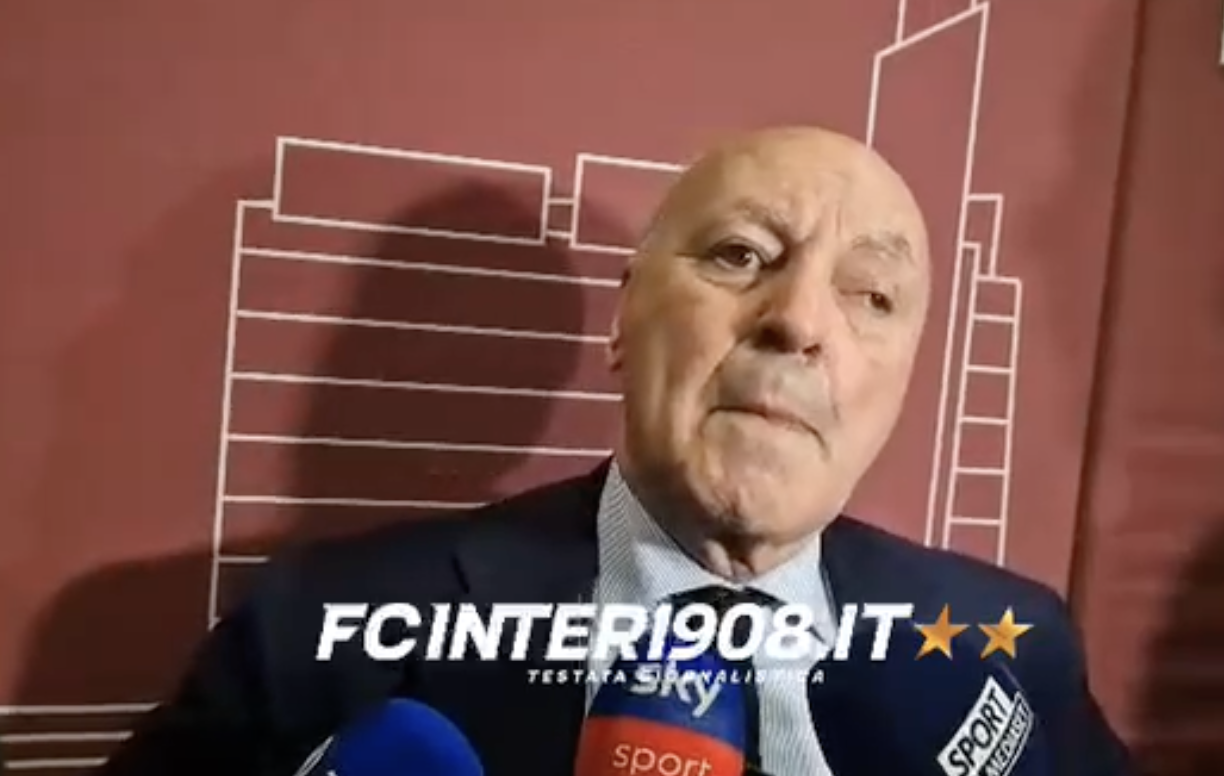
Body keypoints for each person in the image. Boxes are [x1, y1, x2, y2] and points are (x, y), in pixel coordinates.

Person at [97, 126, 1133, 775]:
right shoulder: (320, 629)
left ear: (902, 378)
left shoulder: (1008, 645)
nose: (800, 322)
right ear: (625, 323)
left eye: (872, 294)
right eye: (742, 255)